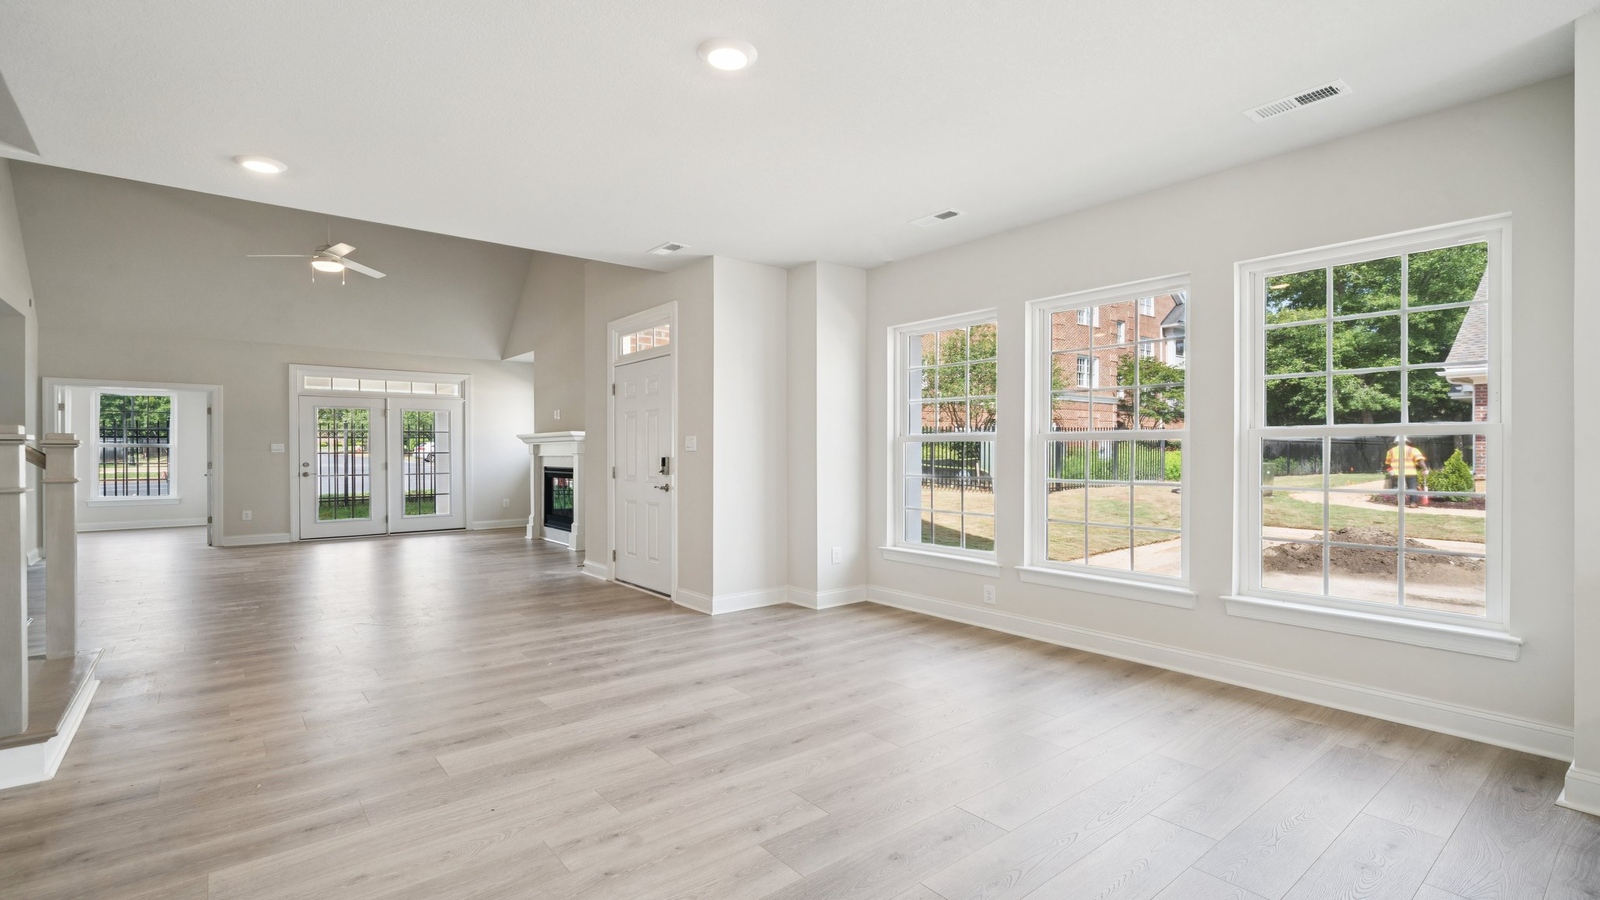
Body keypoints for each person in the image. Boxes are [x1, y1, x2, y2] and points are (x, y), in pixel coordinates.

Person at [1384, 438, 1428, 507]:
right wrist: (1425, 469)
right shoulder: (1413, 450)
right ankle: (1413, 503)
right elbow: (1420, 460)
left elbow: (1387, 463)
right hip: (1410, 472)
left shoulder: (1390, 451)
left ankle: (1399, 501)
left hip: (1396, 472)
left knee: (1397, 487)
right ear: (1406, 441)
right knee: (1412, 488)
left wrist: (1390, 470)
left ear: (1396, 442)